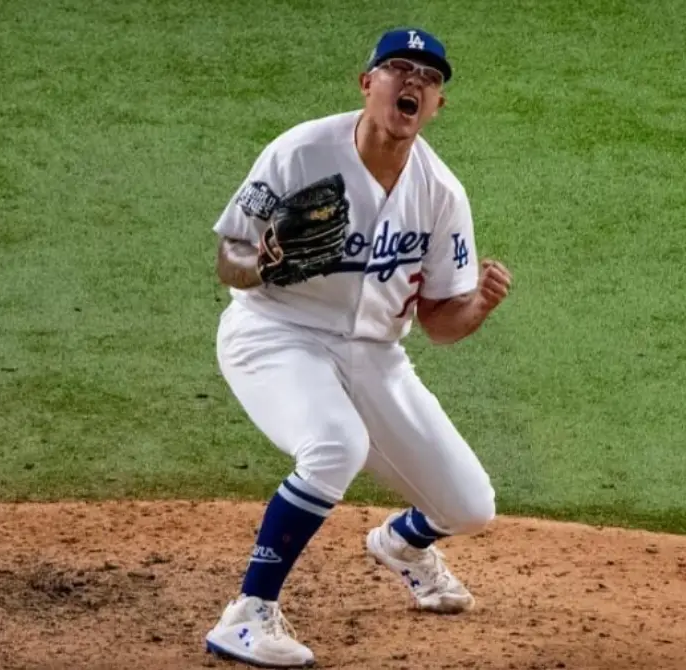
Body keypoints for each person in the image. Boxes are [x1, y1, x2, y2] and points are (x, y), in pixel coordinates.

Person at [203, 27, 513, 668]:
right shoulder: (300, 151)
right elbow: (229, 253)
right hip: (275, 332)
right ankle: (248, 614)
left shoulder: (442, 193)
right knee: (335, 445)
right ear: (368, 83)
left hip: (375, 353)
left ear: (438, 106)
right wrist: (263, 263)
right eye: (400, 68)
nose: (414, 82)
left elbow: (438, 323)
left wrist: (477, 306)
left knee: (469, 506)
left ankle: (402, 544)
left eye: (429, 78)